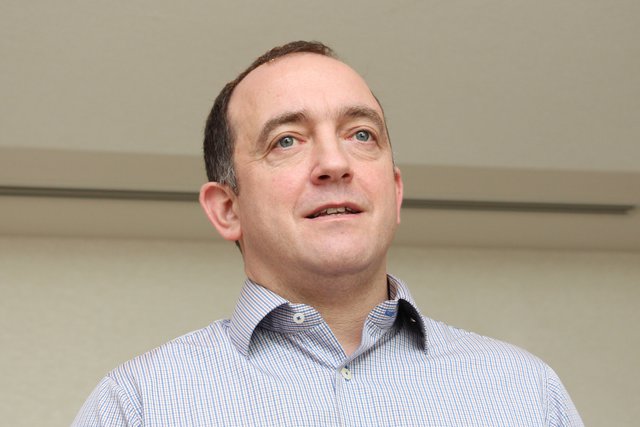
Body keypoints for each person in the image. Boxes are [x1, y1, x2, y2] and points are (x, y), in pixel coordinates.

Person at [73, 41, 583, 426]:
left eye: (361, 134)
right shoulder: (138, 405)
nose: (335, 163)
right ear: (227, 209)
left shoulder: (526, 394)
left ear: (395, 192)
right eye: (286, 141)